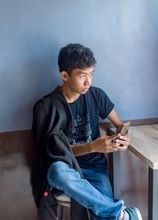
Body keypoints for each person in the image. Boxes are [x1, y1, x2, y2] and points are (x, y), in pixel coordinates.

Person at [31, 43, 142, 220]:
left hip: (95, 168)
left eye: (91, 74)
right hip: (64, 169)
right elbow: (50, 154)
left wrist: (124, 138)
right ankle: (122, 214)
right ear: (64, 75)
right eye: (82, 76)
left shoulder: (97, 95)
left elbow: (120, 124)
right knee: (58, 171)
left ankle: (117, 215)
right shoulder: (47, 107)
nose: (88, 82)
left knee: (103, 212)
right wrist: (92, 147)